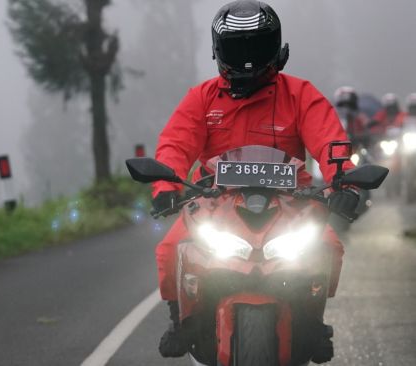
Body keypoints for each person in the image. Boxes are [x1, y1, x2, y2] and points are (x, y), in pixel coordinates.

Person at [152, 0, 359, 358]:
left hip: (292, 204)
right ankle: (181, 319)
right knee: (171, 249)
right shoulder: (201, 99)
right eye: (237, 47)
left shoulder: (300, 94)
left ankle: (312, 321)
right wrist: (165, 187)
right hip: (215, 202)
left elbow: (330, 142)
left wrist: (346, 183)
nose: (247, 58)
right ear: (219, 51)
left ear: (275, 48)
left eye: (256, 46)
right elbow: (175, 143)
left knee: (328, 246)